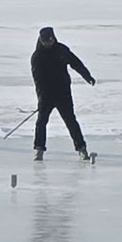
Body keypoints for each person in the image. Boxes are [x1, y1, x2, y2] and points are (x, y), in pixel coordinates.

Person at [31, 26, 95, 161]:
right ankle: (39, 149)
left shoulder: (61, 50)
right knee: (41, 123)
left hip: (63, 94)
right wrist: (42, 97)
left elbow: (76, 63)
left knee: (71, 121)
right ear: (41, 41)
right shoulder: (37, 57)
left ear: (53, 38)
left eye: (50, 40)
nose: (48, 43)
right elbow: (38, 81)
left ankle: (82, 149)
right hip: (46, 96)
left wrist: (87, 76)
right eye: (45, 41)